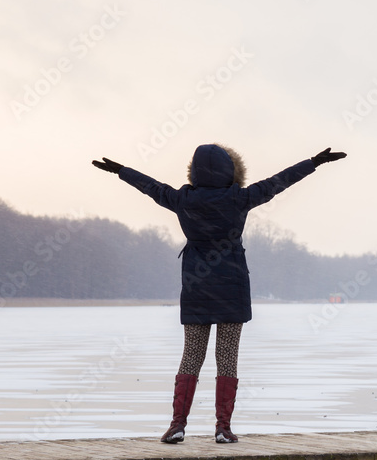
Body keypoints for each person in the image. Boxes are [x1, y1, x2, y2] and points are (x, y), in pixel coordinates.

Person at [92, 143, 346, 443]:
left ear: (194, 172)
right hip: (231, 287)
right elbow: (279, 182)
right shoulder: (239, 198)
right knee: (227, 359)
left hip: (197, 289)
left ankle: (177, 425)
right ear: (232, 171)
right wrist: (313, 162)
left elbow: (151, 187)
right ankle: (223, 428)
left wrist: (121, 171)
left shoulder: (183, 199)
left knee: (191, 358)